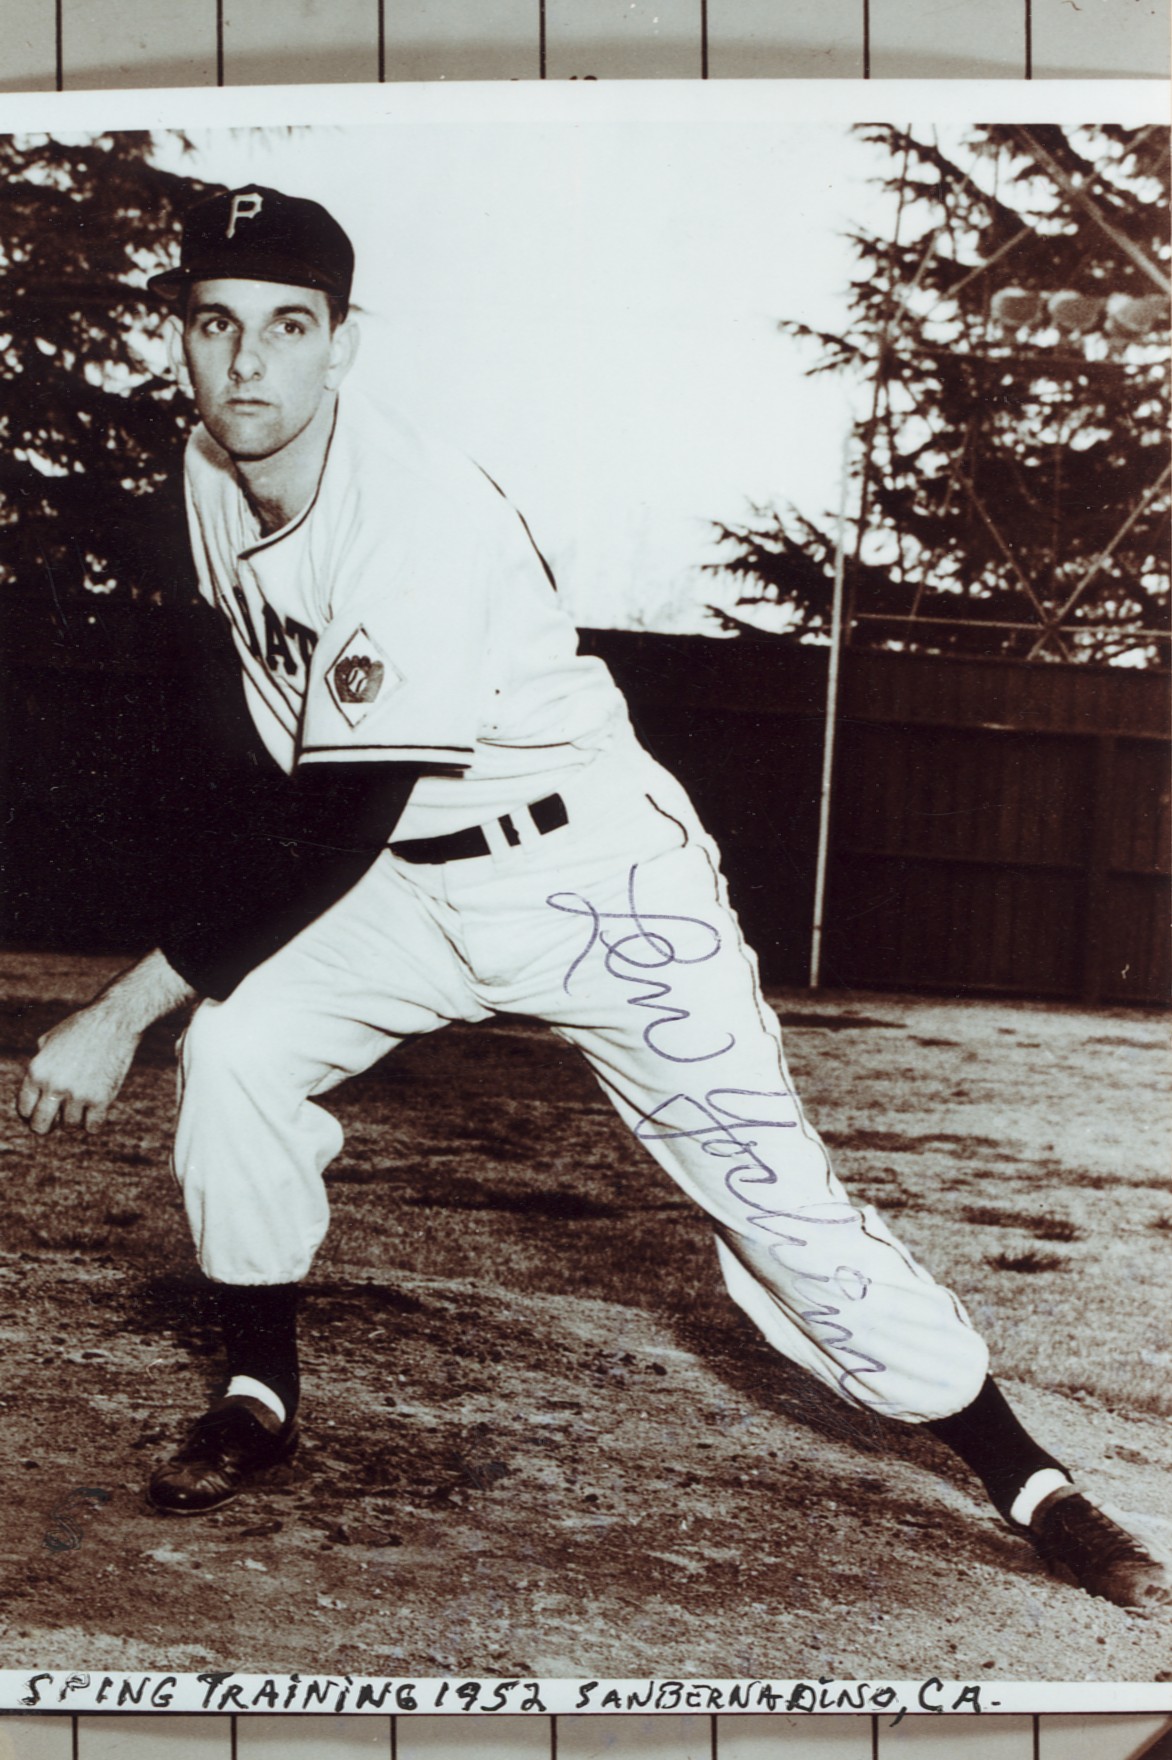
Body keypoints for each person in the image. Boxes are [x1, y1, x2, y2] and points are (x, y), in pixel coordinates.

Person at [16, 183, 1169, 1615]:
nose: (248, 362)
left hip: (587, 880)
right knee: (240, 1049)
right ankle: (259, 1392)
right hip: (403, 879)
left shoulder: (410, 513)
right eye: (215, 323)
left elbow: (329, 826)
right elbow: (284, 743)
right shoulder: (211, 462)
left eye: (288, 327)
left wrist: (117, 1009)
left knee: (770, 1195)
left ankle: (1031, 1482)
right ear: (180, 338)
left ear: (344, 344)